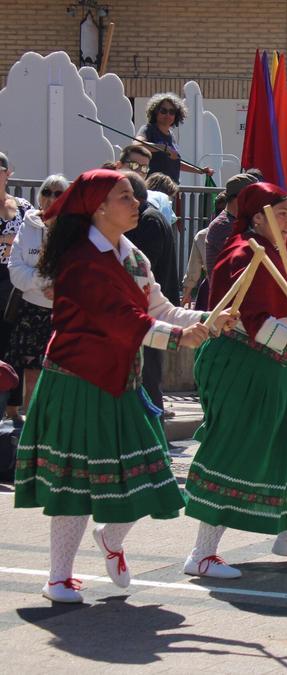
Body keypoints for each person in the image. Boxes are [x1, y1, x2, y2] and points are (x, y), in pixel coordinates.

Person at [12, 169, 227, 603]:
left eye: (134, 197)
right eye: (125, 197)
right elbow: (121, 321)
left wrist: (205, 320)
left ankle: (110, 537)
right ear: (98, 207)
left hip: (120, 379)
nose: (136, 204)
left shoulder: (131, 255)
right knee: (72, 484)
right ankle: (58, 577)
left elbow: (158, 306)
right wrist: (179, 336)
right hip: (76, 380)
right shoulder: (79, 261)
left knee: (151, 474)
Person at [181, 182, 287, 579]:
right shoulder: (243, 254)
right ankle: (202, 552)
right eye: (282, 213)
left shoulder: (272, 253)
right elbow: (255, 324)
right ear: (257, 217)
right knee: (237, 446)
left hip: (272, 362)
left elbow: (281, 311)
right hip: (242, 361)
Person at [7, 175, 68, 411]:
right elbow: (16, 269)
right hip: (31, 308)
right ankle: (27, 418)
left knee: (57, 370)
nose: (51, 198)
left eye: (58, 193)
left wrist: (58, 286)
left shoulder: (73, 230)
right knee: (29, 368)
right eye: (47, 192)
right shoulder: (28, 225)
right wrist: (44, 282)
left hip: (62, 310)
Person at [123, 172, 180, 417]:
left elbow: (143, 276)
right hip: (146, 311)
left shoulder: (149, 223)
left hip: (149, 311)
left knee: (149, 373)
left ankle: (153, 422)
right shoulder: (150, 220)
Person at [0, 151, 31, 422]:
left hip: (16, 281)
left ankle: (13, 407)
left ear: (8, 173)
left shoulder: (22, 206)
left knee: (14, 344)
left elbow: (38, 234)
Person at [135, 93, 213, 182]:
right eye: (163, 111)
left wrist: (199, 170)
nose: (168, 115)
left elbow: (175, 163)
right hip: (154, 187)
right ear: (155, 112)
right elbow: (137, 145)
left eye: (172, 112)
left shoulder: (171, 136)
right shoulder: (148, 129)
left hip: (172, 188)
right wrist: (164, 148)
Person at [204, 172, 261, 279]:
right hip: (228, 293)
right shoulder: (222, 225)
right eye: (253, 198)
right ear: (238, 198)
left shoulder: (241, 221)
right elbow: (248, 260)